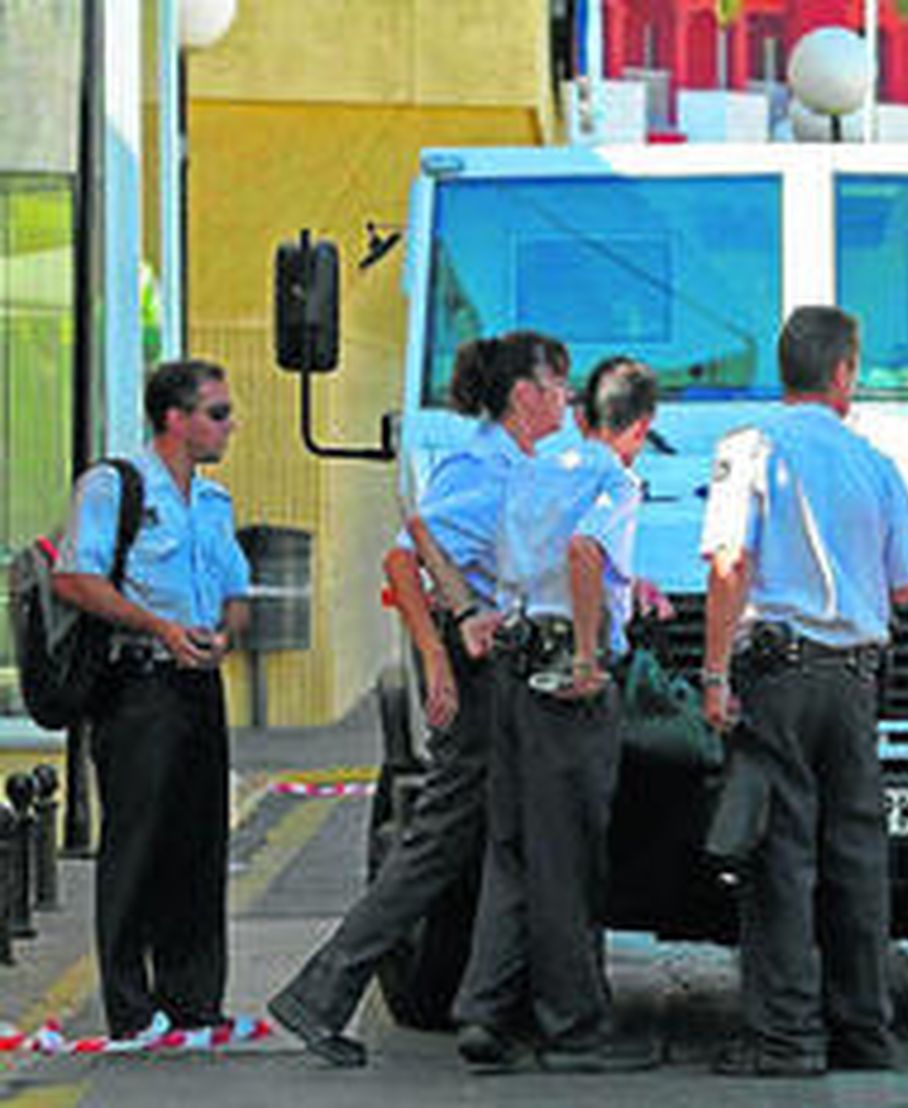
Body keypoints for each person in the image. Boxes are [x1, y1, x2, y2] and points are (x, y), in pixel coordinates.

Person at [269, 331, 572, 1066]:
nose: (567, 397)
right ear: (524, 396)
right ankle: (324, 993)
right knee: (439, 845)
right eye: (558, 384)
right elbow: (406, 557)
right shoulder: (483, 466)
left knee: (485, 843)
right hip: (480, 684)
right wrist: (440, 655)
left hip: (496, 674)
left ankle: (491, 1006)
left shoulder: (518, 464)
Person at [699, 305, 908, 1077]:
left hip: (779, 676)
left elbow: (730, 563)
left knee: (780, 857)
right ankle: (865, 1031)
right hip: (856, 679)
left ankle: (787, 1038)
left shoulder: (750, 449)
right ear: (842, 374)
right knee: (858, 855)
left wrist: (714, 672)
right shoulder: (876, 463)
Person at [450, 356, 660, 1073]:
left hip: (510, 663)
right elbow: (583, 549)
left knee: (510, 849)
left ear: (579, 413)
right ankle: (573, 1029)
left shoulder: (532, 466)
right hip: (559, 677)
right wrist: (587, 656)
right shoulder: (615, 478)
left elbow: (455, 538)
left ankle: (482, 1011)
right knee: (567, 854)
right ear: (640, 427)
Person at [53, 359, 251, 1042]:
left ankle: (194, 999)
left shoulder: (214, 502)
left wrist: (225, 631)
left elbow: (236, 589)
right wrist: (161, 626)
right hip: (138, 685)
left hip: (199, 685)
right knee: (138, 843)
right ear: (176, 418)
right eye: (218, 412)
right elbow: (75, 577)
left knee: (198, 844)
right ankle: (131, 1008)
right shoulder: (115, 486)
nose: (230, 425)